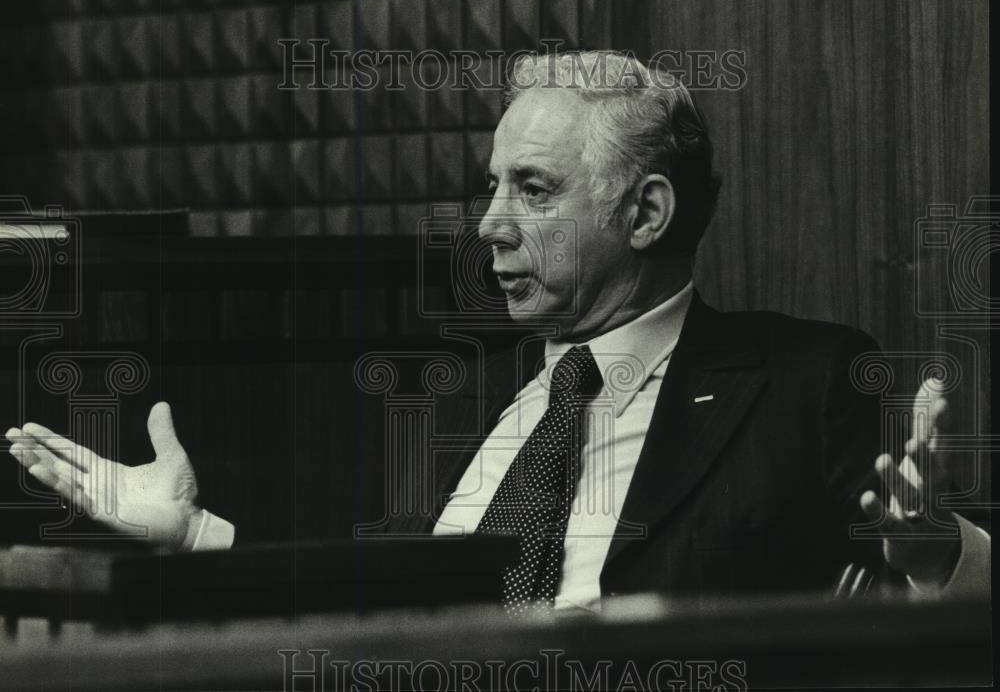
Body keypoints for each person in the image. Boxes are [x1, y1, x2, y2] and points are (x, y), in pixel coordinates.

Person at [5, 51, 989, 612]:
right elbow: (374, 608)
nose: (489, 221)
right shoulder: (460, 398)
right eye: (492, 184)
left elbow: (922, 607)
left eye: (533, 188)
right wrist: (192, 533)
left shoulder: (803, 377)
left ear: (644, 214)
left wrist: (935, 547)